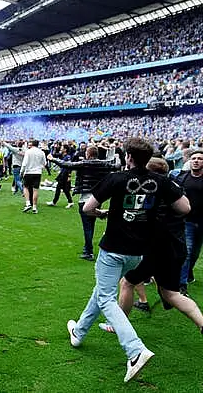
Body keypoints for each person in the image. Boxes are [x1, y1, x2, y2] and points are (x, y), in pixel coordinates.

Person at [67, 138, 190, 383]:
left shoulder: (117, 178)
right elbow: (185, 207)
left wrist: (101, 212)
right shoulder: (161, 180)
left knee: (105, 297)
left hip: (113, 247)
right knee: (101, 290)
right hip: (139, 251)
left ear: (128, 157)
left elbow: (87, 207)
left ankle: (135, 351)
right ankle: (79, 331)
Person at [98, 157, 203, 336]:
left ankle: (118, 324)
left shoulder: (152, 192)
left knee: (127, 283)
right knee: (171, 293)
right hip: (176, 247)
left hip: (154, 248)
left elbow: (139, 215)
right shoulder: (175, 189)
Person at [48, 145, 119, 261]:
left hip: (85, 197)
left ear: (89, 154)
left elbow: (67, 165)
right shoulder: (104, 164)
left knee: (87, 226)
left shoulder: (85, 164)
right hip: (97, 198)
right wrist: (117, 157)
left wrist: (53, 159)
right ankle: (88, 247)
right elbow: (116, 167)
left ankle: (88, 251)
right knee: (91, 224)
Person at [173, 149, 203, 295]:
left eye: (199, 159)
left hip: (201, 221)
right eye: (194, 158)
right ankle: (181, 283)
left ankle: (188, 273)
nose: (196, 161)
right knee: (188, 251)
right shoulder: (182, 177)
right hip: (187, 221)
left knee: (195, 252)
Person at [21, 140, 46, 214]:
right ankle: (34, 207)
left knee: (26, 187)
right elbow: (44, 163)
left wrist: (21, 172)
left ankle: (28, 203)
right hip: (37, 172)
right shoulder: (41, 152)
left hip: (28, 172)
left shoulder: (28, 152)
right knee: (35, 190)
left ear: (32, 144)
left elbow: (24, 163)